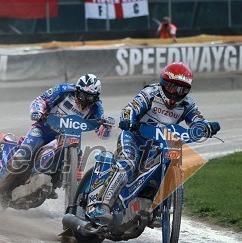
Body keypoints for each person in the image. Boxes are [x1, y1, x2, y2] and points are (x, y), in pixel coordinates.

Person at [87, 62, 220, 224]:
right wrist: (127, 119)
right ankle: (102, 205)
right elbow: (131, 108)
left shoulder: (188, 104)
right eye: (172, 87)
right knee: (127, 164)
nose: (176, 94)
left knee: (175, 160)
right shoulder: (150, 93)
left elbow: (198, 120)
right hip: (134, 138)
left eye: (182, 89)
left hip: (159, 146)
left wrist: (206, 126)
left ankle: (155, 207)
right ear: (164, 83)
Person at [0, 74, 114, 205]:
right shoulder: (63, 90)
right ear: (77, 90)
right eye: (83, 95)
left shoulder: (97, 107)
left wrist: (107, 126)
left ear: (96, 97)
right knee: (22, 155)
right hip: (43, 129)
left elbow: (102, 134)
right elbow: (40, 100)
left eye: (90, 97)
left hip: (70, 136)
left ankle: (59, 183)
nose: (85, 100)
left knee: (79, 154)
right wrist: (37, 111)